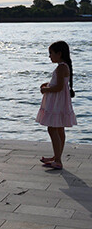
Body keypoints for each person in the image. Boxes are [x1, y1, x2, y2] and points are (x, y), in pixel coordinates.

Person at [36, 41, 76, 170]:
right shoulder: (63, 66)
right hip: (60, 101)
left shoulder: (61, 67)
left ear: (59, 54)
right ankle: (56, 156)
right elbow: (59, 82)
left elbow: (58, 87)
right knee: (59, 129)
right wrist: (47, 84)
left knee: (52, 129)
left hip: (57, 102)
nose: (49, 56)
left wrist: (45, 90)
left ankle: (58, 159)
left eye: (51, 53)